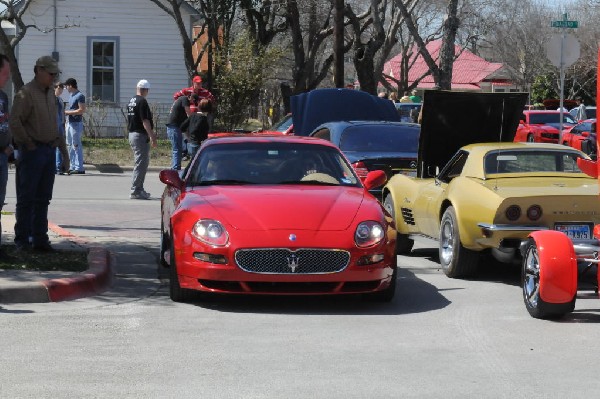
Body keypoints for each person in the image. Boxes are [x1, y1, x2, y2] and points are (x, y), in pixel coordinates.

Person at [9, 55, 69, 252]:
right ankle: (23, 241)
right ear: (38, 71)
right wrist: (28, 144)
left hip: (49, 150)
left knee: (43, 198)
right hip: (32, 152)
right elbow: (15, 122)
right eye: (50, 73)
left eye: (55, 74)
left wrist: (64, 153)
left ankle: (40, 239)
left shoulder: (52, 95)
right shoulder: (26, 93)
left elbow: (57, 125)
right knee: (26, 198)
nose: (53, 77)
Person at [127, 79, 158, 200]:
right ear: (145, 90)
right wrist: (152, 135)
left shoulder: (132, 101)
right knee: (141, 163)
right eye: (147, 90)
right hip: (140, 135)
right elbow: (145, 120)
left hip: (132, 133)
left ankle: (139, 188)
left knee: (141, 162)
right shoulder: (142, 102)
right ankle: (136, 190)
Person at [0, 54, 13, 258]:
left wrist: (9, 145)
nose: (8, 77)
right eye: (5, 72)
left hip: (3, 156)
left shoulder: (3, 96)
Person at [166, 92, 196, 170]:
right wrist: (194, 122)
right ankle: (175, 169)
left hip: (176, 127)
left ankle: (175, 167)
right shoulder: (184, 99)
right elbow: (188, 112)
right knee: (177, 149)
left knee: (178, 148)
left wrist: (189, 137)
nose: (192, 102)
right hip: (173, 127)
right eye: (192, 100)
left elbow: (184, 127)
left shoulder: (181, 112)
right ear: (189, 97)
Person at [64, 78, 86, 174]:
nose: (66, 88)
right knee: (69, 144)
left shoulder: (80, 96)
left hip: (76, 123)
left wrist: (67, 112)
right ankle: (72, 166)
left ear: (71, 86)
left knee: (76, 145)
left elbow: (81, 110)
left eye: (67, 86)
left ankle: (79, 167)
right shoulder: (71, 95)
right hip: (69, 122)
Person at [54, 82, 66, 175]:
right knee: (58, 147)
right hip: (56, 126)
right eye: (59, 88)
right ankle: (57, 167)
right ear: (55, 88)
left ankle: (58, 166)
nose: (61, 89)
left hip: (61, 125)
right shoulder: (54, 99)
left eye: (62, 88)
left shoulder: (60, 99)